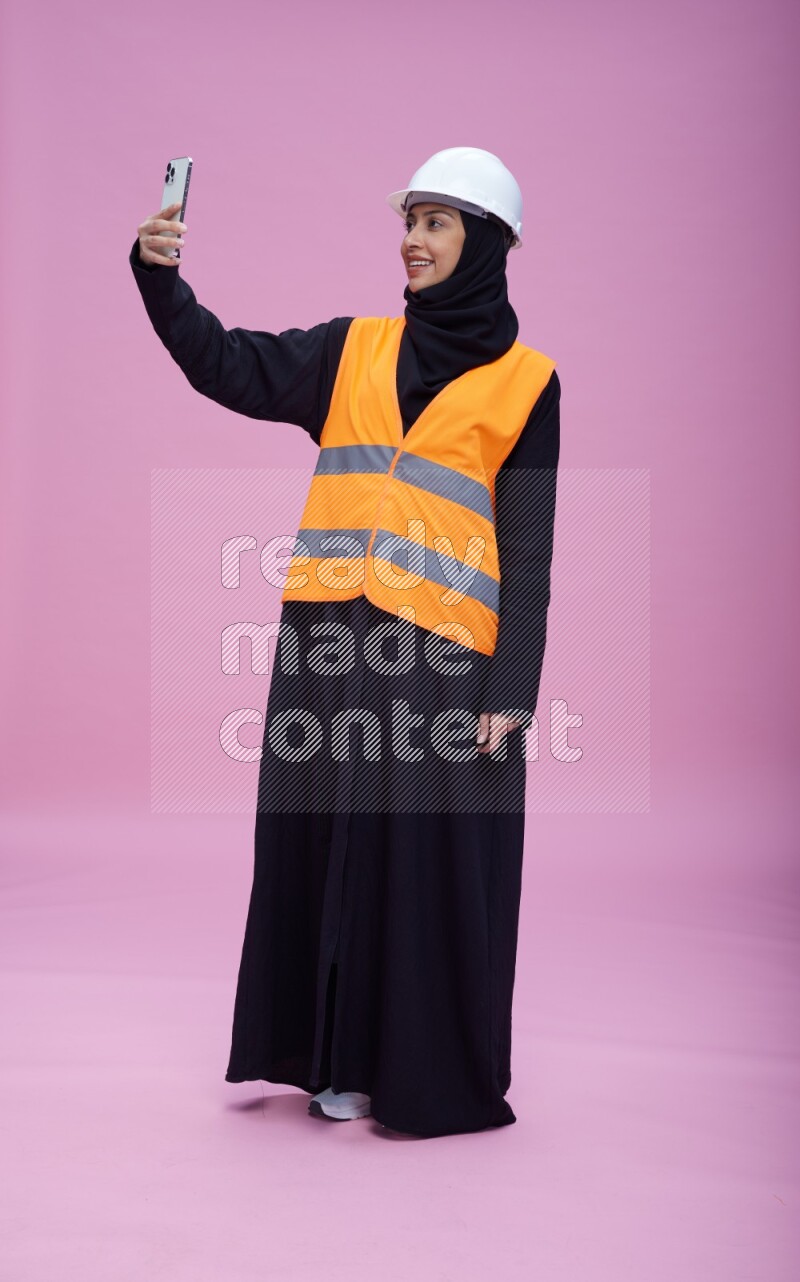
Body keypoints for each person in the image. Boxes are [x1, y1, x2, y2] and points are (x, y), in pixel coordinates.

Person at [130, 146, 561, 1138]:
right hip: (329, 642)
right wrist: (160, 280)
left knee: (419, 862)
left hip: (447, 659)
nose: (411, 240)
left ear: (485, 242)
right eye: (407, 221)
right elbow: (224, 362)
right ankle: (330, 1057)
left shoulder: (527, 384)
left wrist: (512, 692)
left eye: (435, 222)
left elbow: (528, 550)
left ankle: (411, 1068)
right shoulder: (349, 350)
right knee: (325, 846)